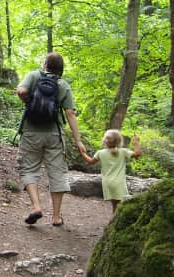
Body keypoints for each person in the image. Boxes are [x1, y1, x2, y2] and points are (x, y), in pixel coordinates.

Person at [16, 52, 86, 226]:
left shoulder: (33, 76)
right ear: (61, 69)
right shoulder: (63, 85)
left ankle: (36, 207)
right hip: (54, 135)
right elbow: (70, 113)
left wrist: (29, 102)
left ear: (45, 65)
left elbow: (21, 91)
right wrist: (78, 140)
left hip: (31, 132)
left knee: (29, 169)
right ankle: (56, 216)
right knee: (57, 173)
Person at [80, 129, 141, 213]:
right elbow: (137, 154)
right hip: (119, 183)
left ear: (105, 141)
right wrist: (136, 142)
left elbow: (90, 161)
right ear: (119, 141)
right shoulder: (123, 152)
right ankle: (117, 222)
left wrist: (83, 153)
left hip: (107, 182)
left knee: (115, 204)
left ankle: (114, 220)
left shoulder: (100, 153)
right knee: (120, 204)